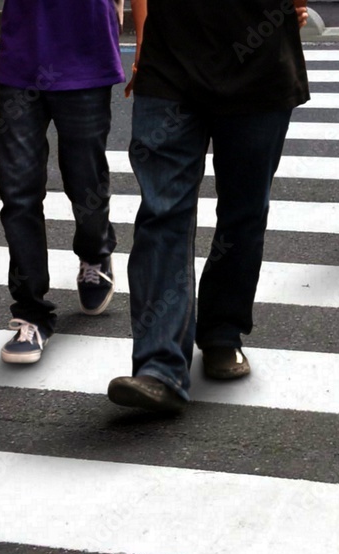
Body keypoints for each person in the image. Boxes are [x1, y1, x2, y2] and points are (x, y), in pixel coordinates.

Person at [106, 0, 310, 414]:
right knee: (162, 212)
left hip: (260, 66)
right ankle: (159, 365)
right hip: (168, 67)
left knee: (244, 212)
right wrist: (143, 42)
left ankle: (222, 331)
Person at [0, 0, 124, 364]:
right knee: (18, 193)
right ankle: (31, 313)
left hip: (87, 60)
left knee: (85, 180)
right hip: (21, 67)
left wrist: (145, 47)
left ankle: (95, 254)